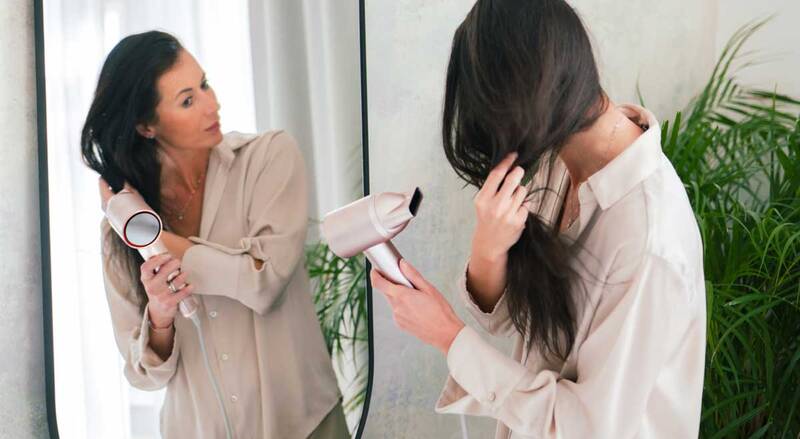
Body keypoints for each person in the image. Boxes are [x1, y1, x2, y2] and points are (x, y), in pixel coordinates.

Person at [370, 1, 706, 438]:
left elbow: (589, 429)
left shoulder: (648, 241)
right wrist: (489, 250)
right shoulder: (559, 158)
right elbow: (513, 319)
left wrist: (448, 336)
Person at [82, 30, 348, 439]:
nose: (213, 104)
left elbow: (264, 282)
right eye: (187, 101)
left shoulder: (268, 159)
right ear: (146, 126)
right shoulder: (118, 233)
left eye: (204, 85)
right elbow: (143, 374)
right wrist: (161, 317)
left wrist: (149, 236)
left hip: (308, 427)